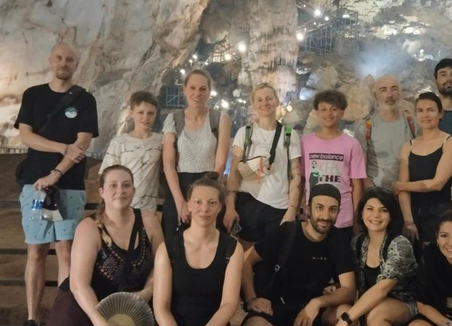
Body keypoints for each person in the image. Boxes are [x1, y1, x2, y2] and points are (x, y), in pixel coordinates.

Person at [12, 42, 99, 326]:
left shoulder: (85, 99)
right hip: (36, 185)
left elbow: (83, 143)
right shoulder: (33, 95)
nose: (64, 63)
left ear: (77, 64)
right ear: (51, 60)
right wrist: (61, 148)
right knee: (36, 251)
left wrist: (56, 173)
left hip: (69, 185)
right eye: (59, 57)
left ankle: (63, 319)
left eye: (70, 59)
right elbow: (26, 135)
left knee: (66, 251)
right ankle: (33, 319)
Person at [47, 165, 163, 326]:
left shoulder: (149, 221)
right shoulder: (89, 227)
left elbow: (161, 264)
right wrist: (100, 321)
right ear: (101, 192)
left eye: (126, 185)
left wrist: (147, 292)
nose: (120, 190)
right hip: (94, 294)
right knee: (63, 324)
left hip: (136, 294)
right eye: (113, 185)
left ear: (134, 190)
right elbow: (80, 284)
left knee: (175, 295)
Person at [240, 184, 356, 326]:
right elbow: (246, 261)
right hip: (275, 305)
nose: (325, 215)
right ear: (308, 208)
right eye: (319, 207)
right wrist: (252, 299)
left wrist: (316, 303)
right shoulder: (287, 232)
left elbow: (349, 290)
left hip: (312, 310)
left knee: (350, 320)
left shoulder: (339, 241)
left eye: (332, 209)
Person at [142, 177, 243, 326]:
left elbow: (229, 304)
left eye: (211, 203)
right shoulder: (168, 248)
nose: (204, 208)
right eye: (197, 202)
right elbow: (161, 308)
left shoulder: (231, 248)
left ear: (220, 207)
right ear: (188, 205)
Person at [328, 188, 419, 326]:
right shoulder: (358, 243)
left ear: (391, 215)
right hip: (375, 314)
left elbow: (381, 290)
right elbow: (354, 281)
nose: (375, 215)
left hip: (408, 309)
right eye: (370, 209)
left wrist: (346, 320)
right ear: (361, 213)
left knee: (378, 311)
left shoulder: (399, 244)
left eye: (383, 210)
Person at [224, 83, 302, 247]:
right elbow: (234, 173)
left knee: (273, 259)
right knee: (246, 257)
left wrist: (292, 210)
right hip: (249, 202)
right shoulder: (244, 133)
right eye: (259, 100)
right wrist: (230, 207)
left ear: (276, 101)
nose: (264, 103)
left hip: (279, 204)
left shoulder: (290, 135)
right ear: (253, 105)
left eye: (269, 98)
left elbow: (295, 175)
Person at [161, 69, 231, 235]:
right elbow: (168, 164)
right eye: (192, 88)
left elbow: (220, 162)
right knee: (176, 243)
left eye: (202, 89)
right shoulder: (173, 119)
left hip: (209, 183)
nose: (197, 93)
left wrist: (208, 193)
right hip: (179, 185)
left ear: (209, 92)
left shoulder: (220, 119)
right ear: (184, 90)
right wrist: (181, 203)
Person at [393, 92, 452, 243]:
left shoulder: (450, 142)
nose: (425, 115)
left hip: (441, 215)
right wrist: (409, 221)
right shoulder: (407, 146)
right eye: (421, 110)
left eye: (430, 110)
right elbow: (403, 192)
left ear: (440, 113)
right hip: (412, 215)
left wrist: (400, 185)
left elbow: (437, 183)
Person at [301, 90, 366, 238]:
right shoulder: (305, 142)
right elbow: (302, 179)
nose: (328, 114)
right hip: (313, 215)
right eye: (323, 109)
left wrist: (357, 218)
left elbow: (356, 184)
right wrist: (301, 208)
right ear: (316, 113)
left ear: (342, 113)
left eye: (334, 109)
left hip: (343, 216)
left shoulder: (352, 144)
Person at [100, 91, 162, 224]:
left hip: (148, 207)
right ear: (132, 112)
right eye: (141, 112)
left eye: (150, 113)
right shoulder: (119, 142)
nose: (145, 117)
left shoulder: (160, 141)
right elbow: (106, 174)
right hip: (122, 204)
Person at [354, 74, 417, 190]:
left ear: (400, 93)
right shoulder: (365, 128)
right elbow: (360, 171)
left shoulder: (414, 123)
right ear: (375, 95)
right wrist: (373, 194)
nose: (390, 95)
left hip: (410, 192)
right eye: (383, 90)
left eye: (394, 89)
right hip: (378, 195)